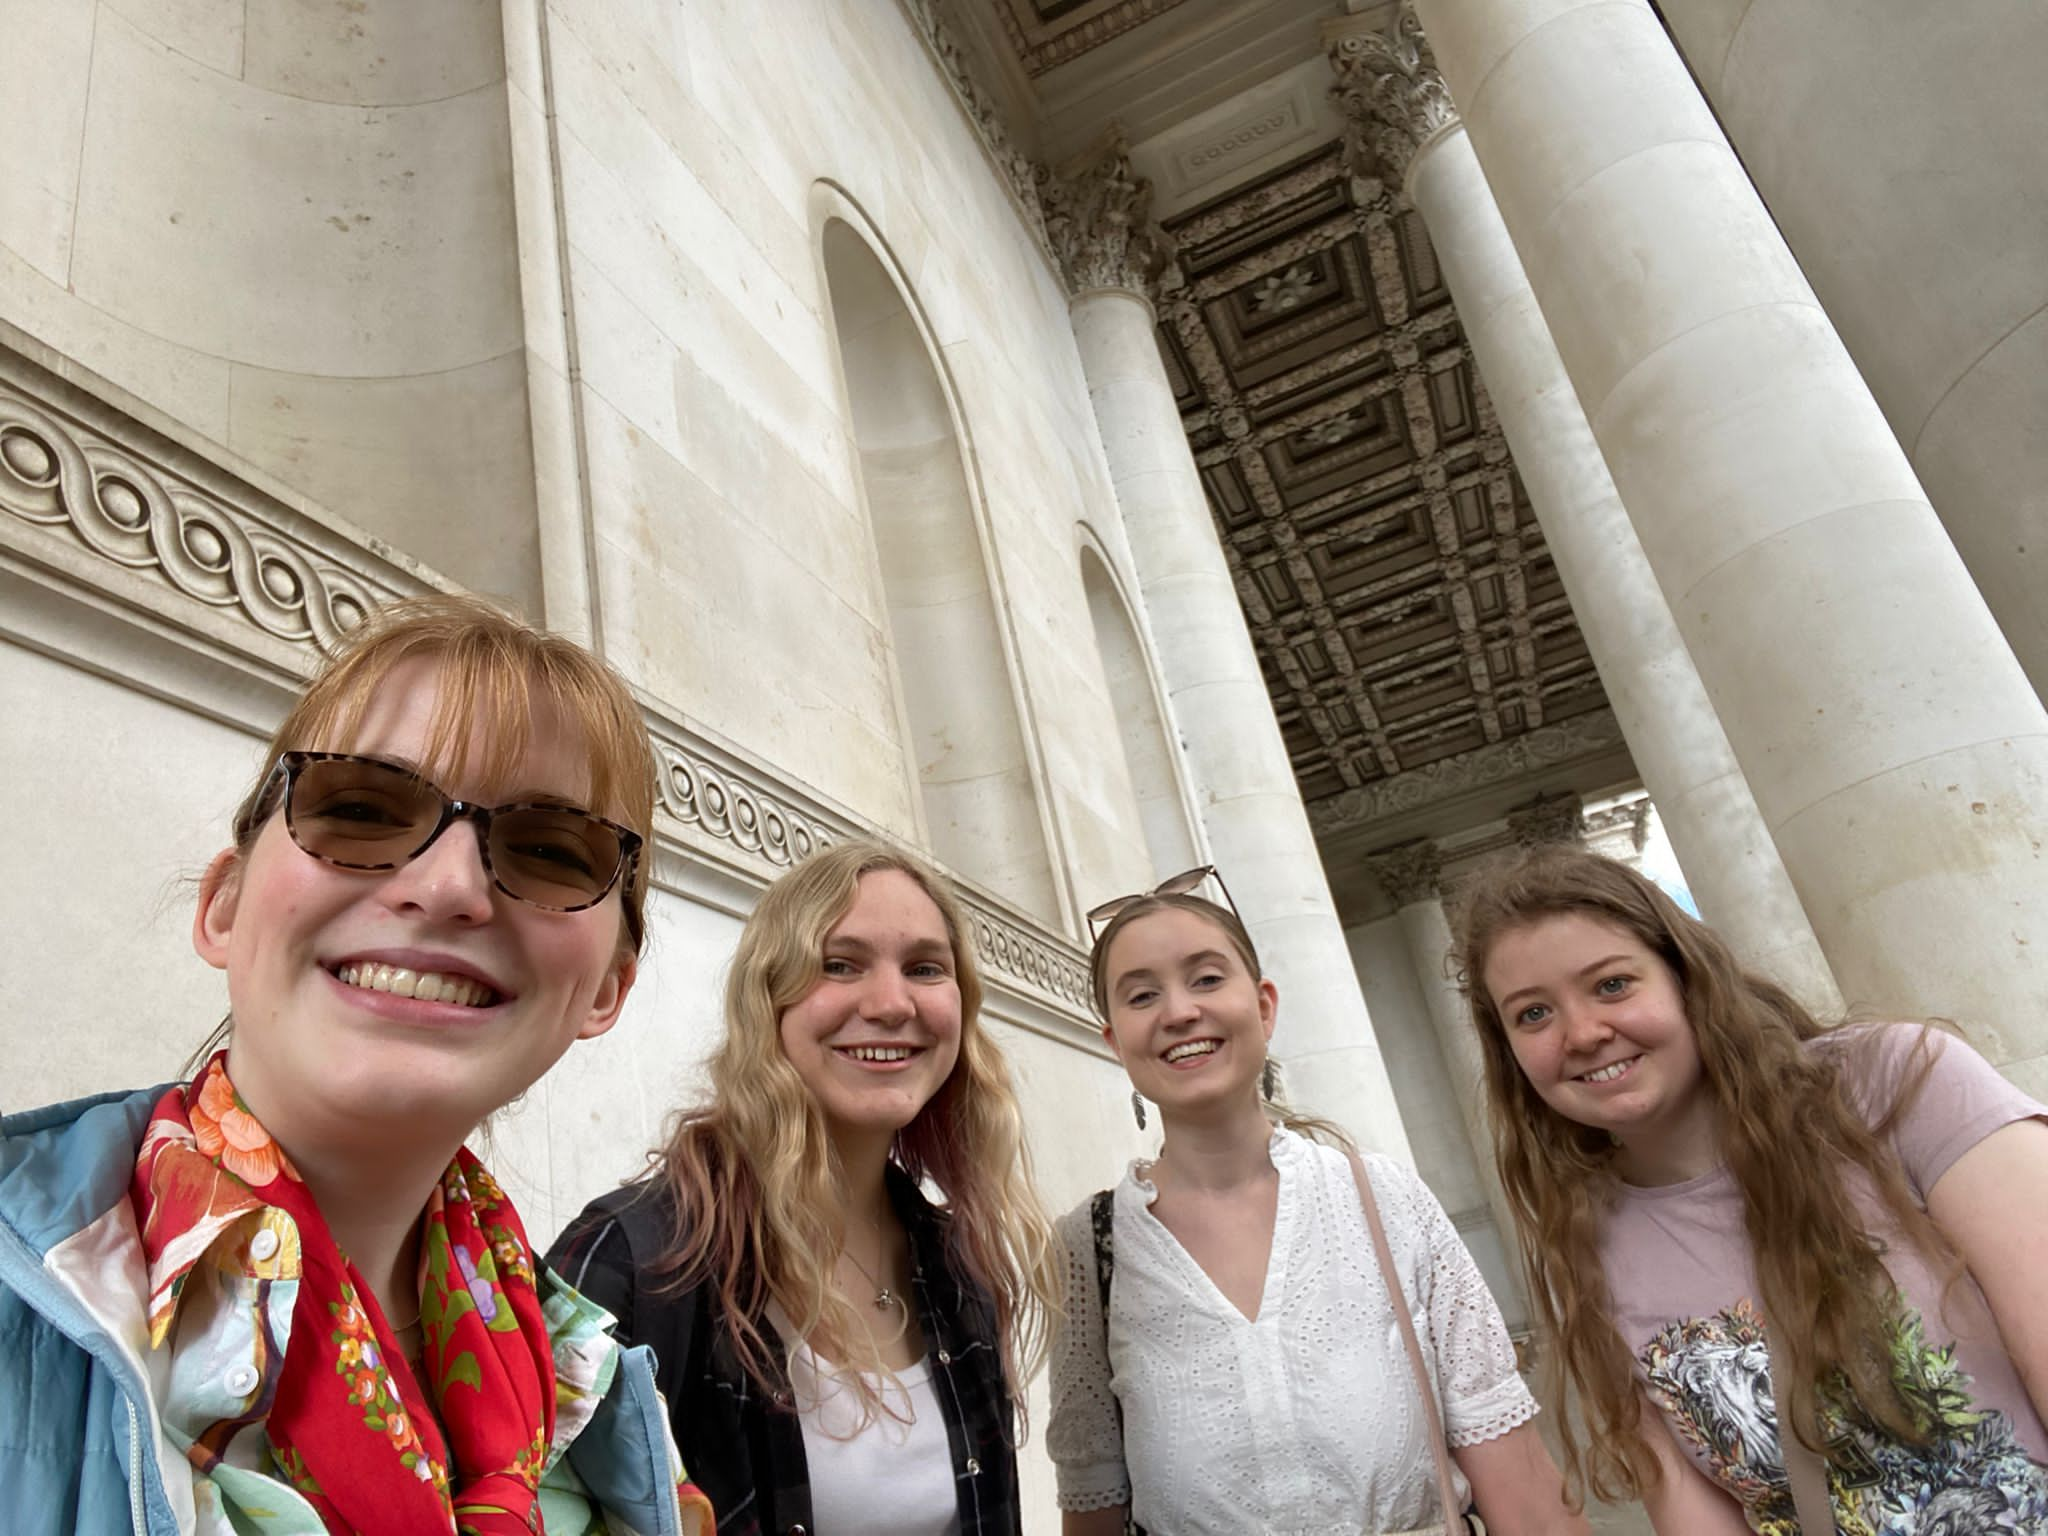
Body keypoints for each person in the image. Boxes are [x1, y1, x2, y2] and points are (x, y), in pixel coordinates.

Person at [0, 593, 712, 1536]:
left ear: (604, 992)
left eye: (550, 849)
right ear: (223, 906)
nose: (449, 886)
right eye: (363, 807)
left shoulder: (603, 1398)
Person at [1456, 846, 2048, 1533]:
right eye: (1533, 1015)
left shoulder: (1894, 1082)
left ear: (1687, 979)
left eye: (1613, 984)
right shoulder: (1584, 1242)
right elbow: (1685, 1499)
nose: (1584, 1033)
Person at [545, 838, 1063, 1536]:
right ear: (769, 1002)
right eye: (839, 965)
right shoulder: (633, 1262)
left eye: (925, 967)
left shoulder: (959, 1266)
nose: (890, 1003)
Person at [1049, 868, 1586, 1535]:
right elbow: (1093, 1502)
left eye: (1208, 978)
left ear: (1265, 1006)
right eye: (1140, 995)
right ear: (1114, 1043)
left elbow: (1522, 1484)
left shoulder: (1383, 1198)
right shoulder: (1089, 1249)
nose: (1179, 1011)